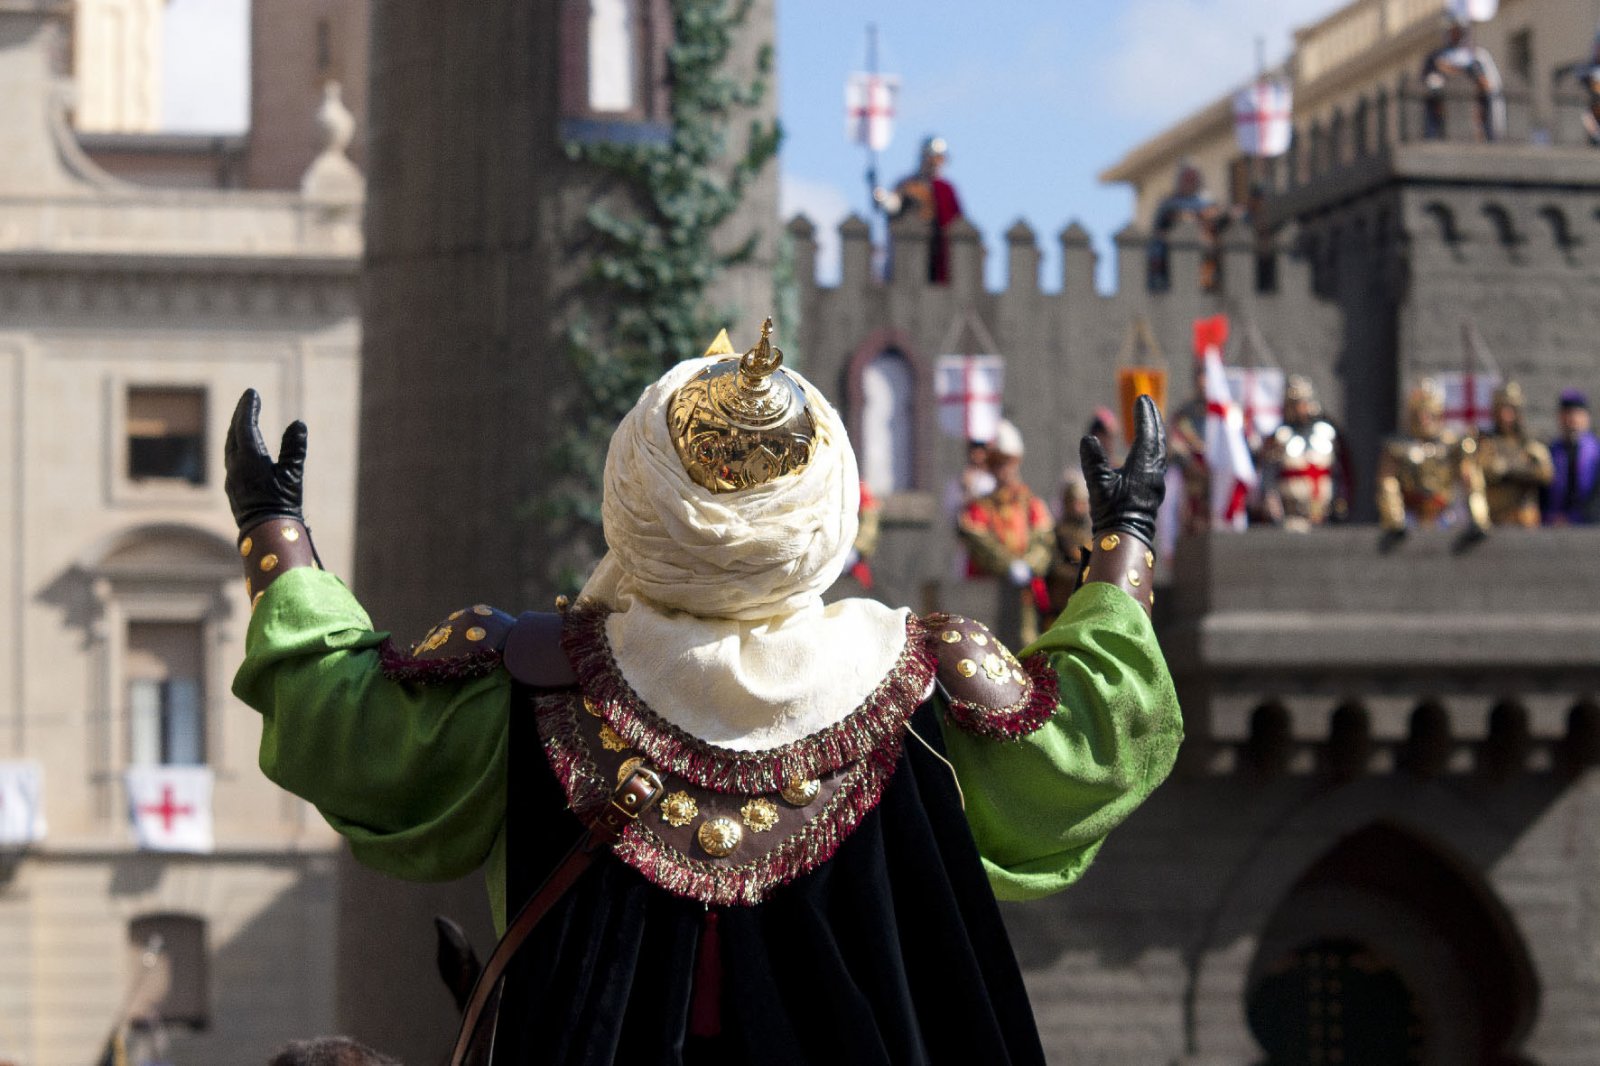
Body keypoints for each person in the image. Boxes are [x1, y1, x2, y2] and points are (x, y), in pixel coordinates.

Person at [226, 320, 1182, 1064]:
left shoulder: (529, 676)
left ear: (635, 495)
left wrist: (275, 533)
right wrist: (1126, 538)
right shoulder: (921, 682)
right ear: (824, 509)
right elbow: (1095, 731)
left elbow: (343, 717)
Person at [957, 419, 1056, 643]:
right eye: (997, 463)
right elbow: (979, 543)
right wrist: (1008, 565)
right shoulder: (979, 507)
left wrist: (1029, 564)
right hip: (989, 596)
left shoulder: (1032, 504)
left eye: (1007, 462)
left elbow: (1044, 540)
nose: (1003, 469)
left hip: (1026, 597)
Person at [1376, 378, 1490, 541]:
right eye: (1420, 415)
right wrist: (1394, 518)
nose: (1424, 419)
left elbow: (1470, 481)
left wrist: (1479, 517)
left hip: (1445, 514)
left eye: (1429, 414)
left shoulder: (1452, 445)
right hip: (1410, 516)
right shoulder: (1397, 447)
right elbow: (1388, 483)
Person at [1256, 375, 1350, 531]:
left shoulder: (1327, 433)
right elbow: (1268, 479)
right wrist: (1273, 511)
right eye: (1296, 404)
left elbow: (1341, 474)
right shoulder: (1279, 438)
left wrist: (1340, 504)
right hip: (1291, 519)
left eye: (1304, 402)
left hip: (1324, 517)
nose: (1301, 408)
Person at [874, 135, 963, 284]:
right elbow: (894, 204)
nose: (936, 163)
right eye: (933, 158)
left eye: (939, 158)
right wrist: (882, 199)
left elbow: (958, 222)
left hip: (939, 250)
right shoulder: (908, 185)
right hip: (912, 249)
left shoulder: (946, 190)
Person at [1475, 381, 1552, 528]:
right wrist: (1523, 468)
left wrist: (1508, 469)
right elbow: (1489, 471)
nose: (1506, 416)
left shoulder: (1530, 441)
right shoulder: (1487, 442)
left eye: (1510, 409)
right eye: (1501, 410)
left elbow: (1545, 473)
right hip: (1498, 517)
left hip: (1526, 517)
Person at [1421, 14, 1504, 142]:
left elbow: (1485, 84)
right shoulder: (1434, 57)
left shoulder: (1474, 57)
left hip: (1471, 103)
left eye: (1458, 31)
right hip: (1444, 103)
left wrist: (1457, 71)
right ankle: (1431, 135)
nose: (1456, 35)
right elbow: (1427, 80)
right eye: (1453, 31)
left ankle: (1489, 135)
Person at [1148, 163, 1223, 291]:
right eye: (1187, 178)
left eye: (1193, 178)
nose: (1190, 181)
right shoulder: (1168, 204)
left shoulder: (1208, 202)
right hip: (1172, 249)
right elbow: (1158, 229)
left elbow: (1215, 221)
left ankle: (1210, 282)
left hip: (1203, 246)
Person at [1543, 388, 1600, 525]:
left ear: (1587, 418)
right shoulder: (1551, 451)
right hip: (1553, 525)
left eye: (1577, 415)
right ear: (1560, 417)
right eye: (1567, 414)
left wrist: (1573, 519)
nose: (1572, 420)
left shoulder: (1596, 453)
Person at [1043, 472, 1092, 626]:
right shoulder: (1056, 533)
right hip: (1061, 606)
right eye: (1076, 502)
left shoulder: (1091, 533)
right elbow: (1053, 567)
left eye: (1083, 502)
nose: (1080, 507)